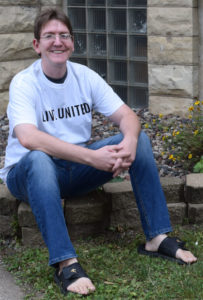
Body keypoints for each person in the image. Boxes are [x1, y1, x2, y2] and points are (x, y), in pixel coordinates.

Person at [0, 8, 197, 296]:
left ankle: (156, 236)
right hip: (29, 174)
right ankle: (66, 263)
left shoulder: (84, 76)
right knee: (40, 159)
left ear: (72, 41)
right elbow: (29, 138)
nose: (58, 42)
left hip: (73, 170)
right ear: (36, 44)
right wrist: (93, 157)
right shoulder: (25, 82)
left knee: (137, 138)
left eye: (64, 35)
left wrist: (129, 141)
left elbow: (128, 116)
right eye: (49, 36)